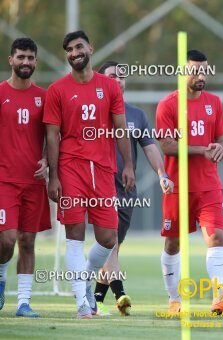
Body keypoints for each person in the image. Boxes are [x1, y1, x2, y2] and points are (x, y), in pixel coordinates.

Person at [43, 30, 135, 319]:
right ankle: (83, 303)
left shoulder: (109, 87)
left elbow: (121, 129)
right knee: (75, 234)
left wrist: (128, 165)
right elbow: (52, 136)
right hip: (71, 168)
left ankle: (83, 282)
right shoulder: (57, 90)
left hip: (104, 170)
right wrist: (53, 176)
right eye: (68, 49)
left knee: (109, 239)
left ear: (90, 48)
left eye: (78, 46)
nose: (74, 52)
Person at [156, 50, 223, 314]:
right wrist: (202, 149)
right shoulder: (168, 105)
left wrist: (219, 148)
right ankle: (174, 300)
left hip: (209, 186)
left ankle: (219, 299)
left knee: (217, 237)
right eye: (195, 70)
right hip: (178, 188)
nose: (201, 75)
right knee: (173, 243)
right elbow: (167, 145)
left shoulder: (214, 102)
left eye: (205, 70)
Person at [92, 61, 173, 317]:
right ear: (101, 81)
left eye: (122, 77)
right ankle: (120, 294)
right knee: (110, 243)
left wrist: (162, 174)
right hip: (99, 187)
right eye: (112, 76)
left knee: (114, 246)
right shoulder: (92, 113)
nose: (118, 81)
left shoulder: (136, 115)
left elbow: (150, 147)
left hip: (127, 191)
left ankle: (95, 301)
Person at [0, 37, 51, 318]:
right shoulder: (0, 93)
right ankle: (1, 273)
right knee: (6, 240)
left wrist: (46, 159)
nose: (26, 62)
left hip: (33, 182)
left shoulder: (43, 97)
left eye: (31, 57)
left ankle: (23, 303)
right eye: (21, 57)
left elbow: (52, 136)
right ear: (11, 60)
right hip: (4, 180)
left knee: (28, 242)